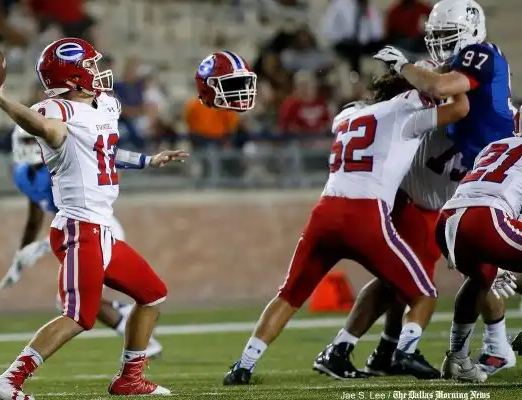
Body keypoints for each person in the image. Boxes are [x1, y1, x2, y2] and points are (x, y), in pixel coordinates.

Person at [0, 37, 188, 398]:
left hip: (101, 229)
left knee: (152, 294)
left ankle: (130, 378)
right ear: (71, 76)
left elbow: (104, 151)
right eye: (88, 66)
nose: (97, 71)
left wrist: (147, 160)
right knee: (78, 316)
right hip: (79, 228)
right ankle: (9, 379)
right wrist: (0, 99)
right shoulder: (55, 111)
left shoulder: (104, 105)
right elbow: (47, 130)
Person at [223, 70, 469, 385]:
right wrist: (447, 77)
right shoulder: (403, 112)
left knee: (289, 294)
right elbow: (460, 107)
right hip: (365, 214)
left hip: (325, 211)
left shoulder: (348, 115)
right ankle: (405, 352)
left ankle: (243, 366)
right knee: (424, 294)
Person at [374, 0, 517, 377]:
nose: (441, 43)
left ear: (472, 32)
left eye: (448, 35)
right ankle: (488, 348)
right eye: (436, 36)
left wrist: (402, 66)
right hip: (479, 174)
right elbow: (435, 83)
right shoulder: (459, 62)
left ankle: (493, 346)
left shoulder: (480, 54)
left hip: (502, 167)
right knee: (481, 269)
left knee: (498, 264)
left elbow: (439, 85)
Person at [0, 124, 162, 360]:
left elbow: (80, 214)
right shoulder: (23, 175)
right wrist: (20, 256)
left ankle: (138, 330)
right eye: (26, 141)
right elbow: (35, 217)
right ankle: (130, 320)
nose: (31, 146)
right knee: (73, 301)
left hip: (97, 229)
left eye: (34, 140)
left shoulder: (62, 165)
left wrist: (41, 247)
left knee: (75, 303)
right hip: (76, 233)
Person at [435, 130, 522, 382]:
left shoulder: (496, 146)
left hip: (447, 221)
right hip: (488, 220)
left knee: (480, 278)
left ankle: (458, 359)